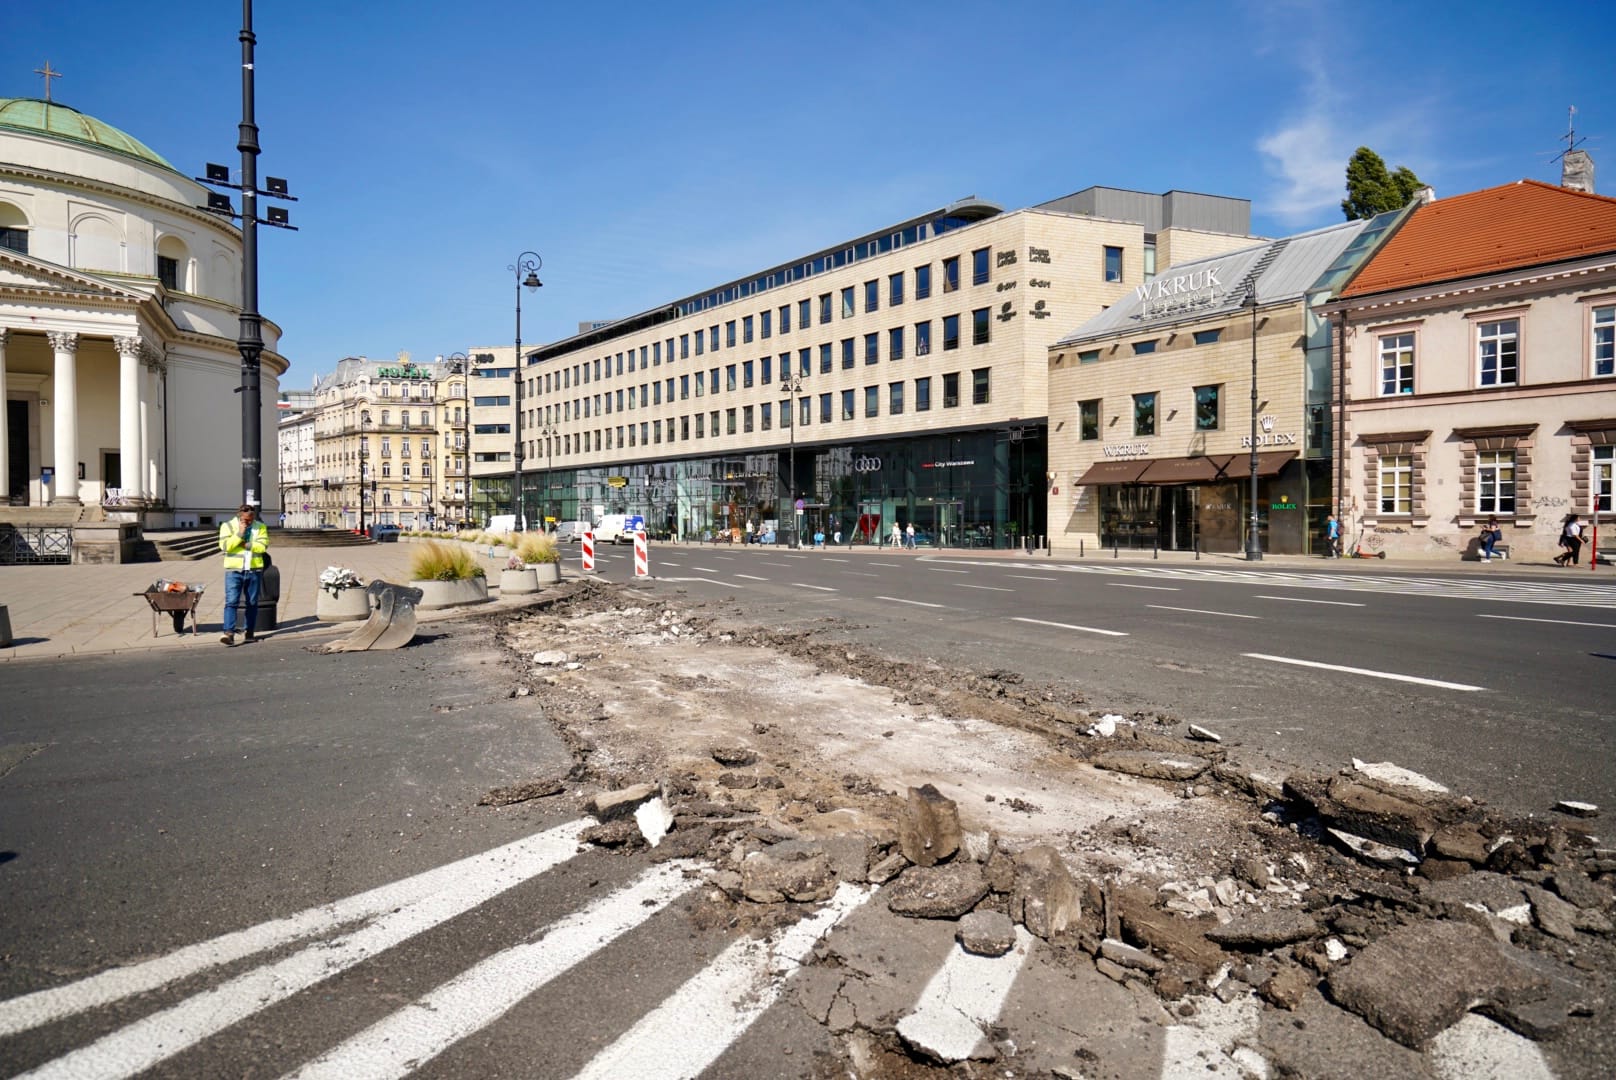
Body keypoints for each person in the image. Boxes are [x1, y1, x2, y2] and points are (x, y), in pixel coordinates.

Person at [218, 503, 270, 646]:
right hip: (234, 570)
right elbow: (225, 546)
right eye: (246, 519)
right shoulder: (227, 526)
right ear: (239, 516)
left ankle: (249, 633)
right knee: (231, 602)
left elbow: (262, 547)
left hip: (254, 570)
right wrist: (239, 534)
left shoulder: (260, 527)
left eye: (251, 519)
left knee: (252, 603)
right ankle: (229, 633)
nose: (249, 522)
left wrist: (246, 545)